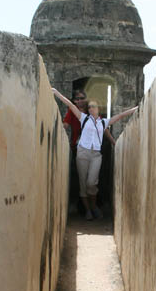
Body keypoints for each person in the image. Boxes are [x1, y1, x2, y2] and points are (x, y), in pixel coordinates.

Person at [53, 87, 138, 220]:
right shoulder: (83, 118)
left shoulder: (103, 122)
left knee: (91, 183)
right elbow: (69, 104)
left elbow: (121, 115)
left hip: (96, 155)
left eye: (94, 106)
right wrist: (56, 92)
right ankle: (88, 211)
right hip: (82, 153)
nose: (92, 108)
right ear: (88, 109)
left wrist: (137, 108)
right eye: (90, 106)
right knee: (83, 184)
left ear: (98, 109)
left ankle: (93, 206)